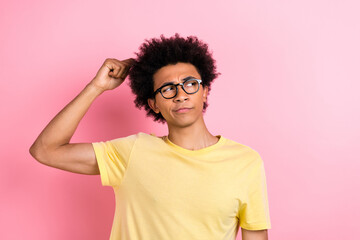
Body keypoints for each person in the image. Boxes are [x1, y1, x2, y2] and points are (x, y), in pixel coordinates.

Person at [30, 34, 271, 240]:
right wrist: (96, 87)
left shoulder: (245, 162)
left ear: (205, 91)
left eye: (190, 84)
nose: (180, 95)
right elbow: (45, 150)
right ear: (153, 104)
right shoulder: (131, 152)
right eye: (167, 88)